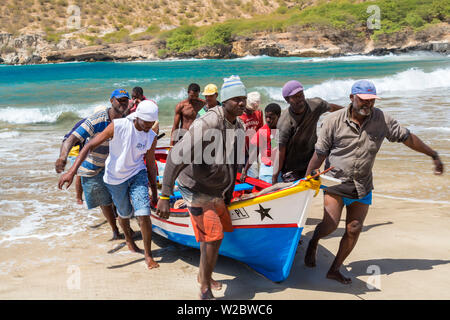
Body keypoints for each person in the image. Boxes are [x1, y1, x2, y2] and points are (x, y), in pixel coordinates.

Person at [304, 80, 444, 284]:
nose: (367, 104)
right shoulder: (333, 120)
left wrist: (433, 154)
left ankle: (334, 269)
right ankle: (314, 243)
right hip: (335, 182)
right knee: (330, 225)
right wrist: (308, 177)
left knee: (354, 228)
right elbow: (320, 153)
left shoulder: (381, 119)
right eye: (363, 100)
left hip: (362, 184)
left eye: (371, 100)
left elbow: (407, 137)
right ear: (352, 98)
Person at [156, 75, 247, 299]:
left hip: (216, 188)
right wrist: (165, 195)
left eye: (243, 98)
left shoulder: (239, 125)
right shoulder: (208, 123)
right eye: (236, 99)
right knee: (213, 237)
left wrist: (228, 192)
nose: (242, 103)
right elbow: (175, 157)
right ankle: (204, 288)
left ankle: (203, 276)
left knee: (214, 237)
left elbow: (234, 162)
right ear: (224, 100)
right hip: (194, 186)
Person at [58, 100, 161, 269]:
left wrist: (156, 194)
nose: (149, 127)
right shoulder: (119, 126)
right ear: (137, 118)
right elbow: (90, 145)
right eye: (146, 123)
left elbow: (149, 163)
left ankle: (148, 256)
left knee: (143, 213)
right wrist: (71, 171)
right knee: (124, 213)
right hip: (115, 177)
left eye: (152, 123)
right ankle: (128, 239)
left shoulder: (151, 135)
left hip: (137, 173)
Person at [55, 89, 131, 240]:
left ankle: (126, 229)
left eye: (125, 100)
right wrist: (62, 158)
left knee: (120, 199)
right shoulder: (97, 120)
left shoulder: (127, 118)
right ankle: (115, 230)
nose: (122, 103)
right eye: (119, 100)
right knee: (105, 202)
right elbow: (71, 139)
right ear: (111, 101)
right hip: (93, 167)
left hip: (114, 166)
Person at [272, 80, 343, 184]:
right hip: (291, 167)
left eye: (301, 95)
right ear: (287, 100)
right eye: (295, 97)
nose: (300, 99)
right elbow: (281, 152)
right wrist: (275, 175)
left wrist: (348, 112)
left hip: (310, 161)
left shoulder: (315, 105)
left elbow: (331, 107)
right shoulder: (284, 123)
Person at [241, 103, 282, 184]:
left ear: (279, 116)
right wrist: (245, 171)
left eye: (271, 117)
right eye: (266, 117)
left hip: (282, 169)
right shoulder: (263, 131)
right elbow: (254, 153)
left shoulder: (284, 129)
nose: (268, 120)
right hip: (268, 170)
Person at [61, 118, 86, 205]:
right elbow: (67, 140)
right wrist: (62, 158)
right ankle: (79, 198)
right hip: (75, 150)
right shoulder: (86, 123)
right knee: (80, 173)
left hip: (81, 149)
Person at [239, 91, 263, 179]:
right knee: (236, 177)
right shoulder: (239, 116)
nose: (251, 112)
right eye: (249, 110)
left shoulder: (259, 113)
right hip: (238, 152)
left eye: (253, 110)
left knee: (254, 177)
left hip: (252, 151)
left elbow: (260, 130)